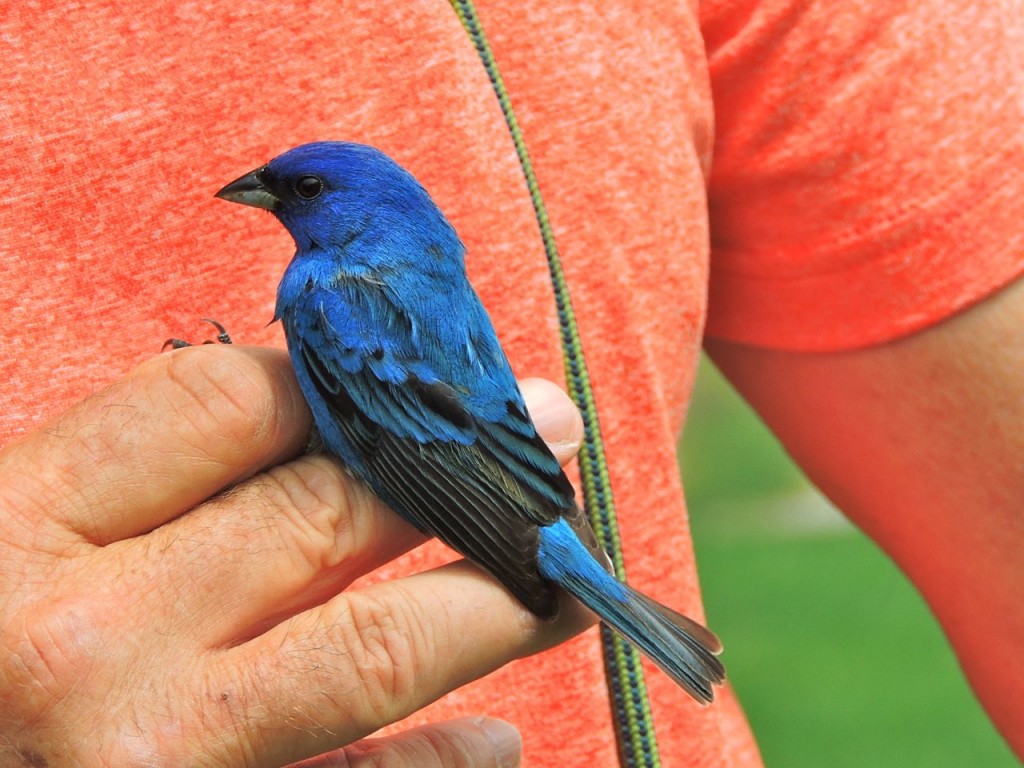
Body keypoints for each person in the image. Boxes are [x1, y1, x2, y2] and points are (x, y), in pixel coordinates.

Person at [1, 1, 1020, 766]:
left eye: (300, 189)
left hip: (487, 492)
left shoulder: (333, 291)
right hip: (515, 479)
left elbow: (397, 441)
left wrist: (514, 544)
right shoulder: (394, 269)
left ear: (349, 211)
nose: (266, 194)